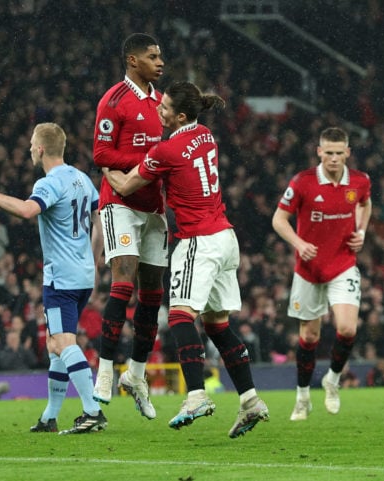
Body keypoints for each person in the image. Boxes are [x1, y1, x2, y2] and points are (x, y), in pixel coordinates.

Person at [103, 81, 269, 438]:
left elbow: (127, 186)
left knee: (179, 316)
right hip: (226, 238)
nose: (157, 112)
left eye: (163, 108)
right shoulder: (206, 135)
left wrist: (105, 167)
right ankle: (251, 399)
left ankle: (196, 395)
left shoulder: (167, 149)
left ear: (179, 115)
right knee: (218, 326)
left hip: (199, 241)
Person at [0, 122, 107, 434]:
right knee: (55, 344)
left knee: (63, 342)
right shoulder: (81, 179)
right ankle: (50, 415)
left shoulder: (48, 184)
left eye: (31, 145)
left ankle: (93, 409)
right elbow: (100, 216)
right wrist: (93, 256)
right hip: (83, 274)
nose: (28, 150)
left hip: (61, 277)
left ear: (39, 149)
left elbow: (26, 211)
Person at [271, 126, 372, 421]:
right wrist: (299, 243)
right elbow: (279, 219)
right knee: (310, 336)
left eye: (339, 153)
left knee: (347, 329)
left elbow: (365, 205)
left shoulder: (360, 181)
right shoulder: (302, 182)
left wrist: (362, 231)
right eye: (328, 153)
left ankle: (332, 380)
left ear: (347, 153)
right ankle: (302, 396)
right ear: (319, 152)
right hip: (308, 271)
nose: (333, 159)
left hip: (342, 265)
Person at [91, 32, 168, 419]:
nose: (160, 62)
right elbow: (100, 153)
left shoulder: (161, 102)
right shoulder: (114, 100)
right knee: (124, 279)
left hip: (154, 208)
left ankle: (135, 374)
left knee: (153, 293)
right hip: (119, 201)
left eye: (161, 56)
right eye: (153, 57)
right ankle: (104, 371)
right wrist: (145, 162)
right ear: (133, 60)